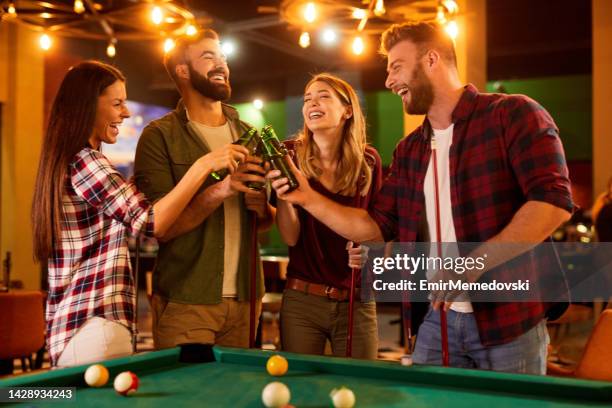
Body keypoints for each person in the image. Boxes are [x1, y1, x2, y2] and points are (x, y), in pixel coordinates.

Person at [268, 22, 573, 374]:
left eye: (396, 66)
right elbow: (374, 227)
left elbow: (552, 202)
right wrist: (305, 198)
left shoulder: (512, 114)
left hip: (508, 320)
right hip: (436, 322)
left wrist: (472, 264)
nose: (388, 81)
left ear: (431, 60)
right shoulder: (409, 150)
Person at [31, 61, 247, 367]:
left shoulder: (70, 161)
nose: (126, 113)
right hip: (95, 324)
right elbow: (151, 221)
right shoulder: (86, 162)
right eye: (117, 103)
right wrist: (204, 165)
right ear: (87, 105)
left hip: (78, 329)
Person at [134, 29, 273, 350]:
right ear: (183, 71)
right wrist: (221, 190)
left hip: (246, 300)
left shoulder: (249, 134)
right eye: (209, 57)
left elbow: (263, 222)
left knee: (237, 400)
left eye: (223, 57)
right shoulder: (159, 136)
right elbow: (160, 230)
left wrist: (262, 207)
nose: (221, 64)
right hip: (187, 300)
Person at [273, 73, 382, 359]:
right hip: (302, 299)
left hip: (356, 301)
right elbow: (290, 236)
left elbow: (377, 231)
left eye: (323, 96)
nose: (312, 103)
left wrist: (369, 251)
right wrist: (283, 198)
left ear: (347, 110)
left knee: (363, 391)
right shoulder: (288, 155)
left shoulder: (367, 162)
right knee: (299, 389)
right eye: (307, 98)